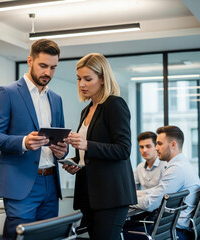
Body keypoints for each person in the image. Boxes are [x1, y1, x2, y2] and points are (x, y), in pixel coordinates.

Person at [0, 39, 68, 238]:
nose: (47, 73)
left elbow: (60, 141)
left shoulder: (56, 99)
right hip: (21, 185)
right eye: (43, 66)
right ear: (30, 61)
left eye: (53, 68)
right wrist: (23, 142)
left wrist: (62, 150)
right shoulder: (7, 92)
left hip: (51, 183)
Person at [63, 53, 137, 240]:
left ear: (103, 79)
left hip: (111, 195)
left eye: (88, 79)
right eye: (79, 79)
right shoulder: (86, 110)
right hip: (90, 194)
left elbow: (123, 149)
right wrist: (75, 161)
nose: (82, 84)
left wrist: (87, 144)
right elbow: (90, 154)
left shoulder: (114, 104)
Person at [124, 125, 200, 240]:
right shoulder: (183, 165)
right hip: (176, 230)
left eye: (159, 144)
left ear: (173, 145)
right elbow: (156, 192)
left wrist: (124, 199)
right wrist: (132, 195)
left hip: (174, 232)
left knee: (119, 232)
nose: (156, 148)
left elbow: (150, 204)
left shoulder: (176, 169)